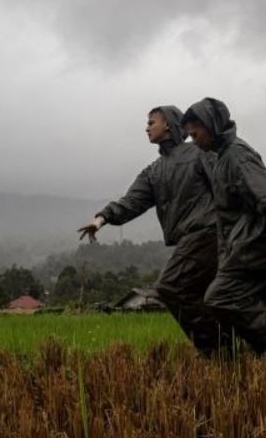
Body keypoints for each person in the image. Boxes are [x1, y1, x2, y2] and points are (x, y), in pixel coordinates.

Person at [77, 106, 223, 355]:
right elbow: (131, 202)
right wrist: (101, 218)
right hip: (189, 241)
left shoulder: (200, 153)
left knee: (169, 286)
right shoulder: (154, 171)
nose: (146, 127)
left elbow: (225, 186)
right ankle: (225, 347)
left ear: (168, 125)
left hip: (209, 233)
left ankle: (214, 348)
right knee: (207, 297)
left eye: (151, 122)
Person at [180, 97, 266, 366]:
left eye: (196, 131)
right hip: (246, 243)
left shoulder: (238, 155)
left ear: (213, 125)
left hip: (256, 243)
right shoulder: (220, 158)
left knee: (220, 295)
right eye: (189, 133)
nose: (193, 138)